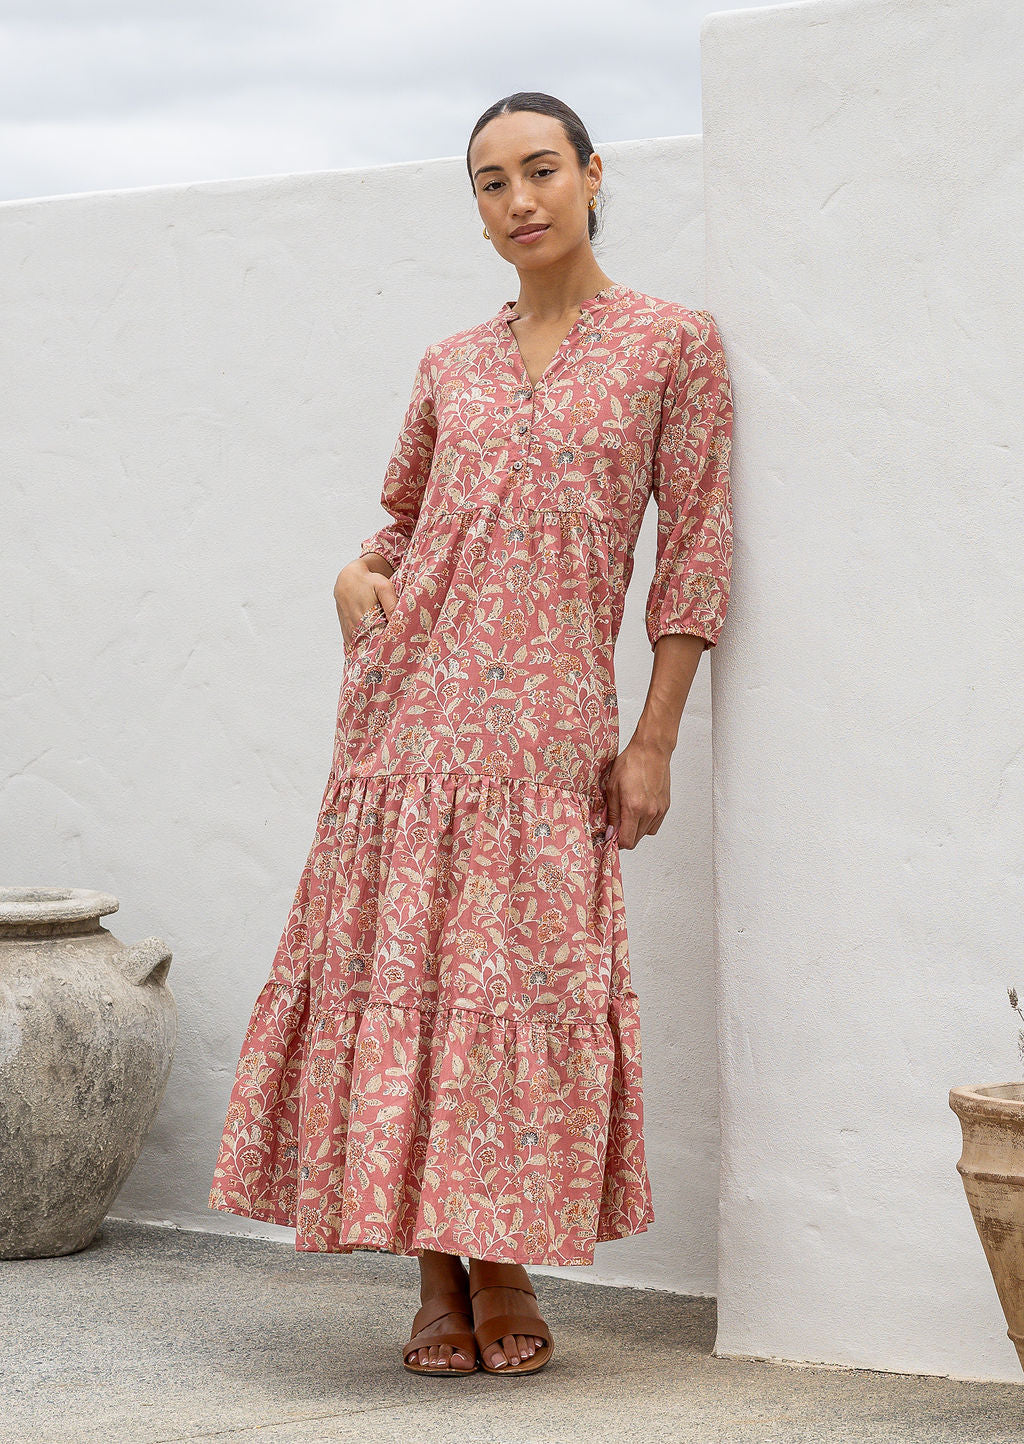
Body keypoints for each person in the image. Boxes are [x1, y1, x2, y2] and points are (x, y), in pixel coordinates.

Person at [208, 90, 733, 1379]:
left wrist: (655, 739)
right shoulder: (451, 361)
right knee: (417, 990)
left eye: (541, 170)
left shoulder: (672, 345)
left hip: (550, 734)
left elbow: (695, 556)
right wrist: (353, 576)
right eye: (492, 183)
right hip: (407, 726)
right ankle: (443, 1276)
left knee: (513, 991)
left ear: (594, 174)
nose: (520, 201)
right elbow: (402, 522)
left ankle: (498, 1262)